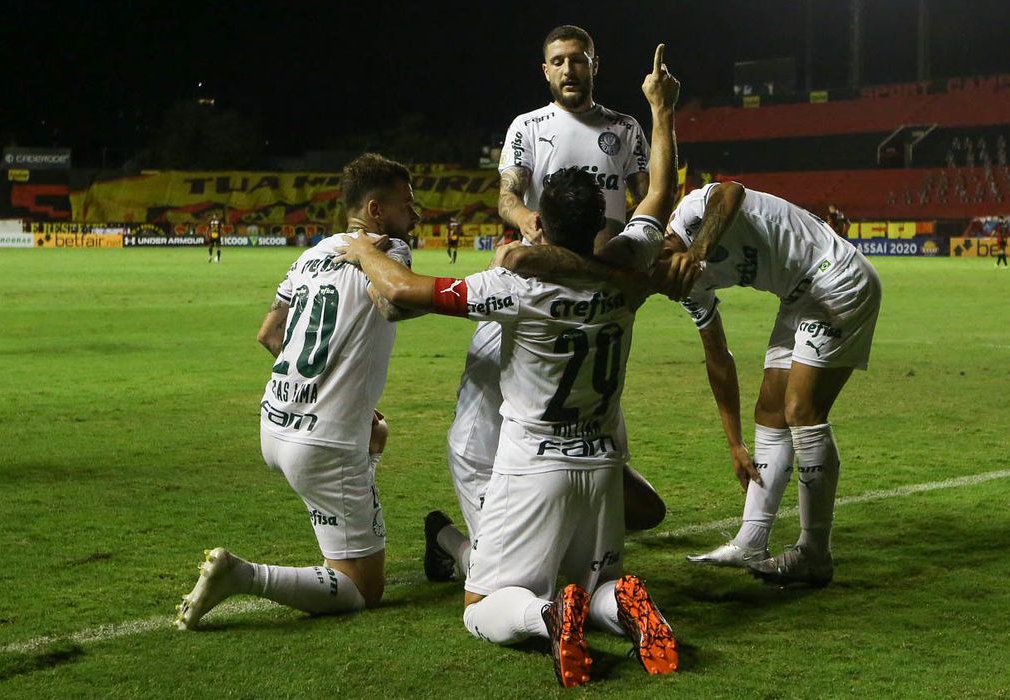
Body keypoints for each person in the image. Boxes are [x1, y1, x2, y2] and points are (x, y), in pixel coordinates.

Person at [338, 45, 680, 688]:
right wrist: (663, 109)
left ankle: (550, 614)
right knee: (597, 580)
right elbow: (659, 193)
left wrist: (359, 246)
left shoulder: (517, 290)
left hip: (534, 465)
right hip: (603, 461)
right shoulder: (631, 272)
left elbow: (411, 291)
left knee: (482, 605)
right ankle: (622, 605)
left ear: (541, 222)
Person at [426, 24, 664, 585]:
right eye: (557, 62)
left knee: (595, 423)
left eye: (577, 60)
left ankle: (567, 532)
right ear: (546, 71)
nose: (567, 70)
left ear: (594, 64)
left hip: (596, 295)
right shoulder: (527, 127)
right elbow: (509, 192)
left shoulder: (623, 128)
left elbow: (649, 195)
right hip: (531, 294)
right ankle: (491, 538)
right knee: (479, 424)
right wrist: (524, 218)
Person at [175, 154, 420, 630]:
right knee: (362, 590)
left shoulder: (309, 254)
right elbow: (394, 304)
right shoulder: (389, 250)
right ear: (374, 211)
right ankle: (242, 575)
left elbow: (270, 333)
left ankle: (362, 463)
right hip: (322, 445)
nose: (415, 214)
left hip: (275, 422)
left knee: (370, 440)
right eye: (406, 204)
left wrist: (325, 389)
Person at [658, 182, 882, 588]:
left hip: (836, 277)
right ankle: (751, 540)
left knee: (801, 410)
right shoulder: (682, 284)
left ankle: (815, 553)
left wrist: (698, 253)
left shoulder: (691, 214)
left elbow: (730, 192)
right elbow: (718, 358)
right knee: (771, 411)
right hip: (799, 297)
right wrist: (734, 442)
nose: (668, 289)